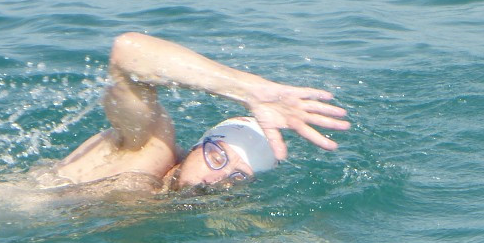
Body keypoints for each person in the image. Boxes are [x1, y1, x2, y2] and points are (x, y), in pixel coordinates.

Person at [44, 32, 350, 195]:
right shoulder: (149, 149)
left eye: (238, 176)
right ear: (196, 147)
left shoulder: (170, 201)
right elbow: (128, 52)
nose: (217, 178)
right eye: (217, 157)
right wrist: (250, 90)